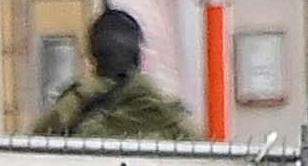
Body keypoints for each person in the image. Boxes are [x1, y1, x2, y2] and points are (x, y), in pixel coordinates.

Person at [37, 8, 202, 144]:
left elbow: (32, 158)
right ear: (138, 54)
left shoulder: (70, 110)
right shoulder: (169, 115)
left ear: (91, 55)